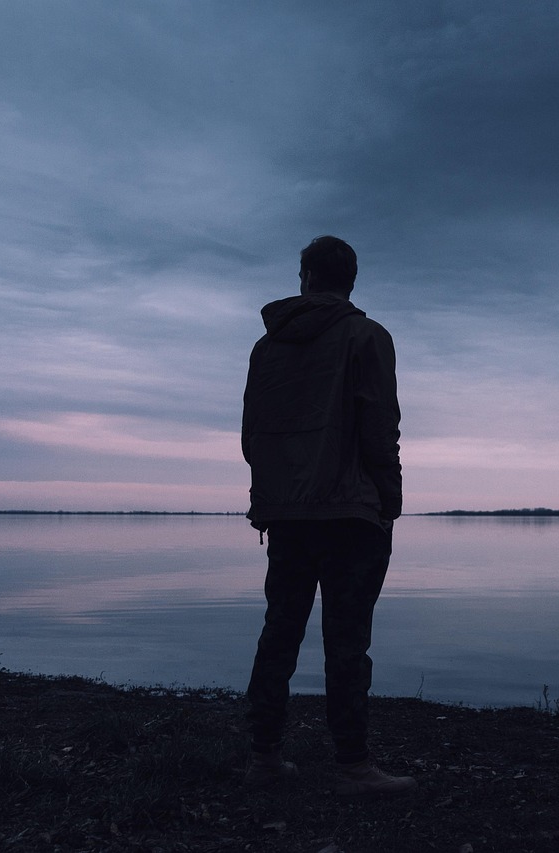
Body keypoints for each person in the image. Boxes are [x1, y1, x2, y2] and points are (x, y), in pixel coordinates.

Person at [241, 235, 414, 796]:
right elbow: (379, 429)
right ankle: (353, 766)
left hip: (287, 515)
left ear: (307, 279)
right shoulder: (367, 336)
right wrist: (390, 501)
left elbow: (251, 438)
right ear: (350, 281)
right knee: (346, 642)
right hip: (350, 515)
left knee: (279, 632)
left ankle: (263, 756)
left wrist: (272, 498)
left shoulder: (266, 350)